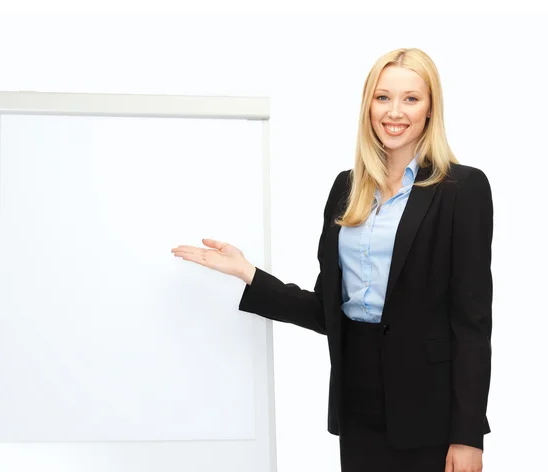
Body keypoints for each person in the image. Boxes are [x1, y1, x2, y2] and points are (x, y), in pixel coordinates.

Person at [171, 47, 492, 472]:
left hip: (428, 412)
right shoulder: (347, 188)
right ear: (368, 106)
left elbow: (471, 322)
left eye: (411, 98)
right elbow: (329, 311)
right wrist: (248, 273)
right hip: (357, 401)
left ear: (431, 108)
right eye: (382, 97)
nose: (394, 111)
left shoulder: (461, 188)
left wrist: (467, 435)